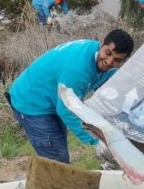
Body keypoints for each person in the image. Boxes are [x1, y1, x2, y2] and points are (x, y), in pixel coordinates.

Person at [7, 29, 134, 164]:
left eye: (117, 60)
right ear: (102, 43)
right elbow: (65, 109)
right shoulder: (78, 68)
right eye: (107, 53)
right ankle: (45, 183)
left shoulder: (108, 67)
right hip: (31, 102)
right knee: (57, 161)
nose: (109, 62)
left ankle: (44, 181)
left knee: (58, 150)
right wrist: (96, 141)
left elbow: (108, 95)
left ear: (123, 60)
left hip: (53, 100)